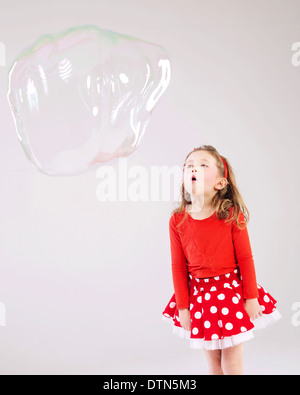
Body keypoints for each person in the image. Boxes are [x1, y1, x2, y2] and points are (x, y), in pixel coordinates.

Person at [161, 145, 281, 375]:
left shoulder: (231, 214)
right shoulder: (177, 220)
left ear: (220, 183)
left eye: (203, 165)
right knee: (213, 364)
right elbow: (178, 266)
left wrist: (251, 297)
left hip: (230, 295)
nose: (193, 168)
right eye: (189, 165)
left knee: (232, 364)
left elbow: (245, 258)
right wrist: (183, 308)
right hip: (200, 297)